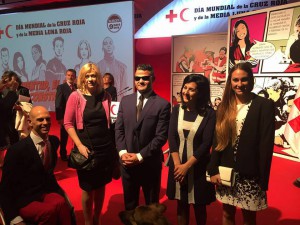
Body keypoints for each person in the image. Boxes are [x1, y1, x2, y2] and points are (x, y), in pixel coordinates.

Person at [207, 63, 275, 225]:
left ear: (251, 81)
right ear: (230, 82)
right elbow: (217, 141)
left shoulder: (264, 105)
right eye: (235, 80)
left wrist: (263, 178)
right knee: (227, 214)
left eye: (244, 80)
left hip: (251, 173)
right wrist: (213, 169)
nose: (239, 84)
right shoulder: (224, 106)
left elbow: (266, 144)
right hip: (227, 169)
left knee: (249, 218)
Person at [0, 106, 72, 225]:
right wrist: (14, 218)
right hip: (23, 198)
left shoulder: (53, 142)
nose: (46, 123)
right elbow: (5, 188)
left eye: (48, 119)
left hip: (44, 192)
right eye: (40, 120)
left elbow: (48, 173)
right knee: (48, 211)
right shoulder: (17, 151)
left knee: (62, 204)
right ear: (30, 122)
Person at [64, 63, 115, 225]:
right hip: (86, 150)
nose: (91, 79)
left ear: (98, 77)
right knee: (87, 188)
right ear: (82, 78)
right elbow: (67, 123)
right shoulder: (75, 96)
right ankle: (87, 221)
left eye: (94, 75)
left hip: (105, 149)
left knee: (101, 186)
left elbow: (110, 122)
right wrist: (79, 145)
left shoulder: (106, 95)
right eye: (87, 76)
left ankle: (97, 218)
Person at [115, 64, 171, 210]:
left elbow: (161, 137)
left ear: (153, 79)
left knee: (152, 207)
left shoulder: (163, 105)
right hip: (127, 165)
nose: (140, 81)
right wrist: (122, 153)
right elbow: (119, 129)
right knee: (130, 206)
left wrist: (139, 156)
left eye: (145, 78)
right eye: (137, 78)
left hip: (149, 164)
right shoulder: (125, 101)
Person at [166, 74, 216, 225]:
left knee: (199, 207)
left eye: (191, 89)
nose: (186, 92)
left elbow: (207, 143)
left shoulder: (209, 113)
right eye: (185, 87)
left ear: (200, 93)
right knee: (181, 205)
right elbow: (172, 138)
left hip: (198, 167)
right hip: (177, 166)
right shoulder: (176, 110)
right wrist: (178, 166)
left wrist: (186, 167)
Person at [55, 69, 77, 161]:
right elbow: (58, 103)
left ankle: (76, 153)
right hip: (65, 116)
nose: (70, 77)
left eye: (72, 75)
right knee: (64, 136)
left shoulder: (78, 87)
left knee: (77, 135)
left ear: (75, 77)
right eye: (68, 75)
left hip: (77, 116)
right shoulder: (61, 87)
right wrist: (59, 117)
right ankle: (63, 154)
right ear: (66, 76)